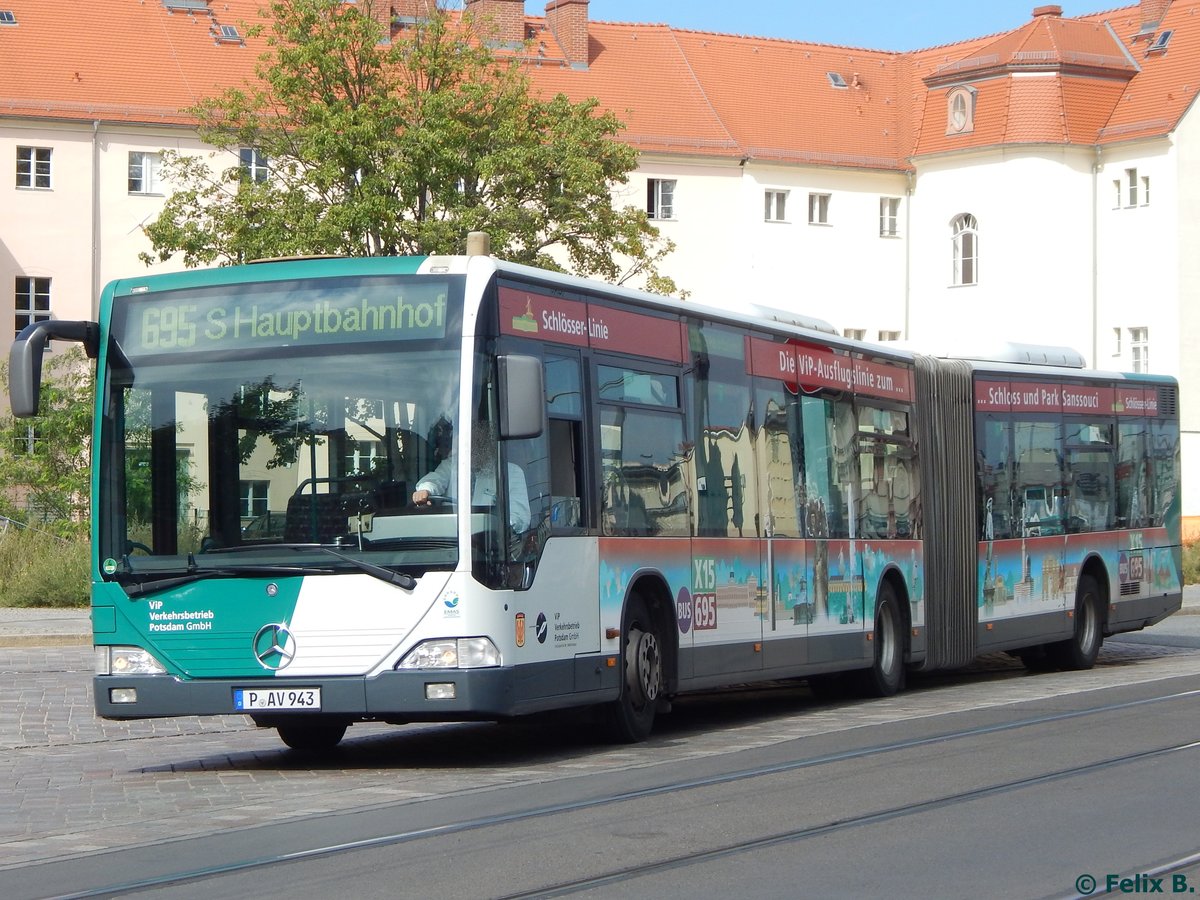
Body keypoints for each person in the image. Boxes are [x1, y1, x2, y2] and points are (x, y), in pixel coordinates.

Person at [412, 422, 530, 533]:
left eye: (479, 442)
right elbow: (435, 480)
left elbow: (519, 517)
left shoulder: (511, 472)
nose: (473, 447)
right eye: (470, 441)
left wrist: (495, 527)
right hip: (449, 537)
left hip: (490, 541)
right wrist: (425, 490)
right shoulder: (452, 465)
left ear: (490, 445)